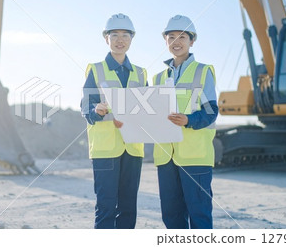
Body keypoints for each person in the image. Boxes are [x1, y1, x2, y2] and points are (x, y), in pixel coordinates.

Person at [80, 13, 147, 229]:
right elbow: (85, 106)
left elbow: (146, 110)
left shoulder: (141, 73)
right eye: (114, 34)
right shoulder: (96, 69)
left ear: (131, 39)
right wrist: (96, 109)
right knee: (106, 207)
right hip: (105, 149)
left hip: (133, 149)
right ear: (106, 38)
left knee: (128, 208)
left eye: (125, 35)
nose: (120, 39)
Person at [152, 15, 218, 229]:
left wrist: (188, 120)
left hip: (195, 156)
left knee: (199, 214)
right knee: (171, 215)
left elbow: (210, 111)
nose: (176, 41)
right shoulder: (158, 78)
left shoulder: (203, 71)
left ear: (192, 41)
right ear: (166, 41)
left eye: (182, 37)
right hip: (166, 157)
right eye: (171, 37)